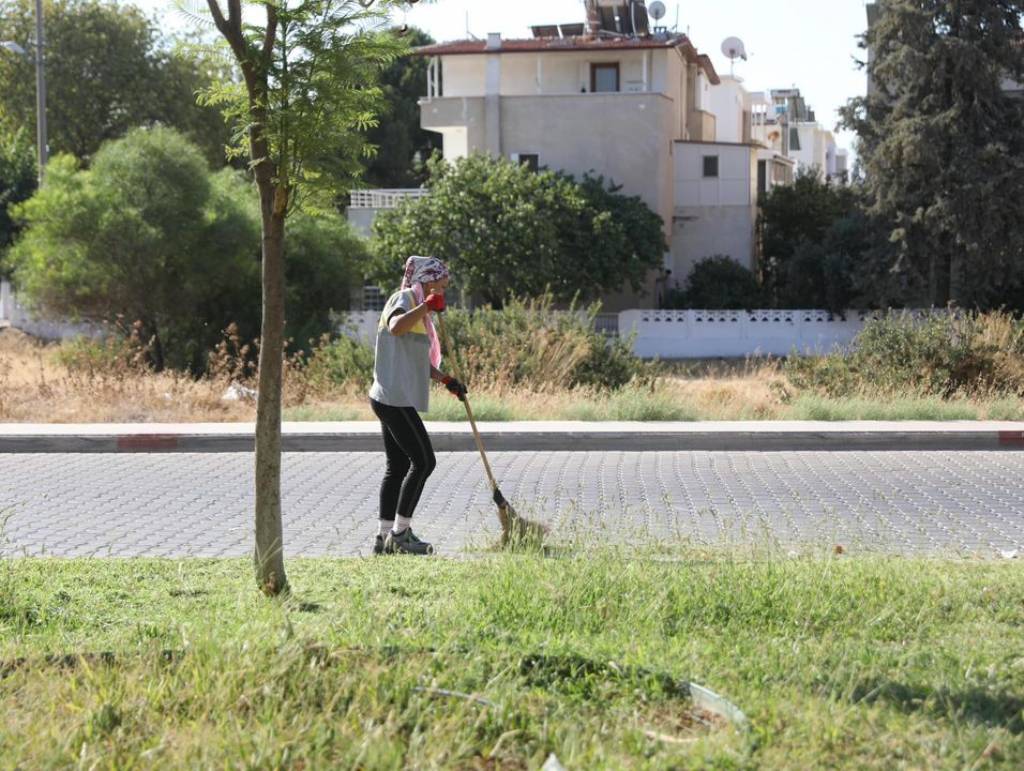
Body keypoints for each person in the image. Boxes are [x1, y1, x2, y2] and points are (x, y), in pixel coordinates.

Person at [368, 256, 467, 556]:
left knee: (397, 467)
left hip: (392, 396)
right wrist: (426, 306)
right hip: (393, 398)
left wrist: (446, 380)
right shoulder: (405, 298)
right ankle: (400, 535)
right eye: (441, 286)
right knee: (424, 462)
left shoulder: (420, 309)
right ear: (427, 280)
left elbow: (415, 360)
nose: (443, 292)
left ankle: (384, 539)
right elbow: (396, 326)